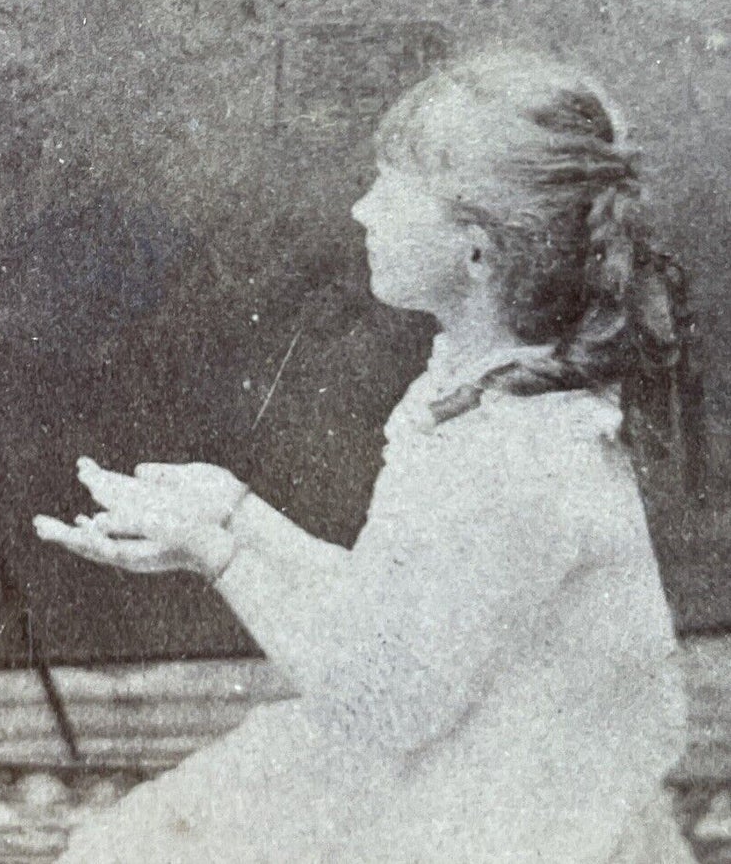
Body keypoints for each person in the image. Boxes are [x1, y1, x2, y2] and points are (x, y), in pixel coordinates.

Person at [36, 51, 694, 863]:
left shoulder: (522, 455)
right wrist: (235, 511)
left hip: (518, 816)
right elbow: (394, 615)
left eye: (389, 186)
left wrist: (219, 551)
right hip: (468, 756)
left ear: (477, 251)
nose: (359, 209)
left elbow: (386, 702)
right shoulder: (476, 389)